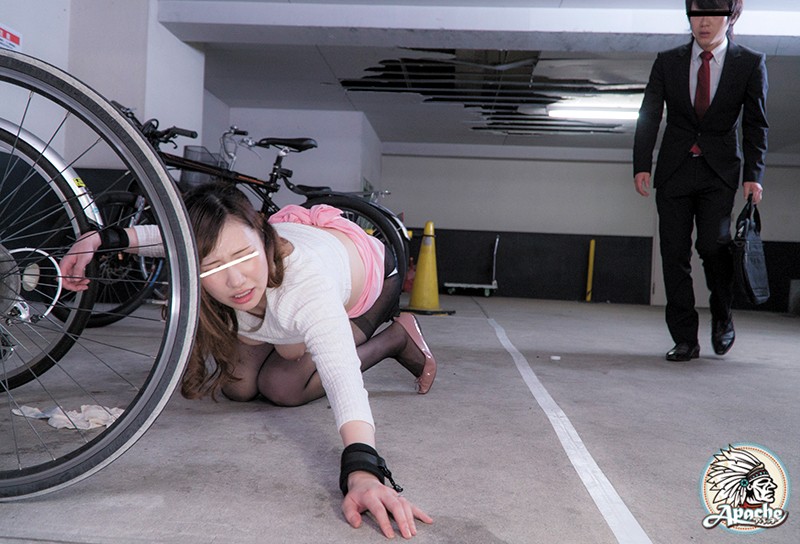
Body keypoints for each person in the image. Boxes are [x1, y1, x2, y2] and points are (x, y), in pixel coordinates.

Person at [61, 184, 436, 539]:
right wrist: (101, 240)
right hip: (289, 279)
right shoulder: (232, 255)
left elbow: (342, 376)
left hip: (367, 273)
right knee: (238, 386)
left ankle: (395, 338)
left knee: (283, 386)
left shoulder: (307, 285)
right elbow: (173, 237)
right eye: (211, 267)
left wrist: (363, 469)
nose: (236, 280)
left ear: (262, 234)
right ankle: (287, 336)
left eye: (243, 255)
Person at [633, 0, 768, 361]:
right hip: (674, 169)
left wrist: (754, 175)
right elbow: (649, 113)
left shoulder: (749, 63)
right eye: (696, 14)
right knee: (673, 253)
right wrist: (641, 164)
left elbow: (756, 123)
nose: (703, 22)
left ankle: (722, 314)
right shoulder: (668, 61)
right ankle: (685, 339)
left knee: (713, 245)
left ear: (730, 17)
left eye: (712, 14)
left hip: (718, 172)